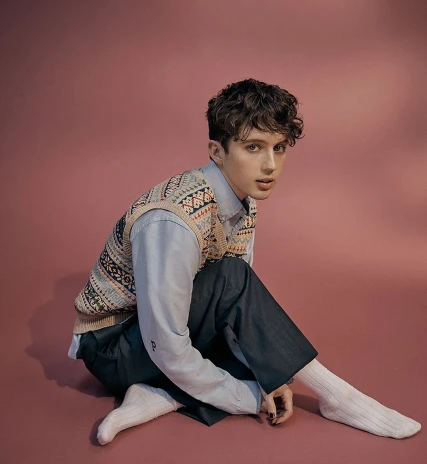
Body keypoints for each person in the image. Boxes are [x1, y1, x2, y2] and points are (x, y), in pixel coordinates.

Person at [68, 78, 421, 445]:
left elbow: (235, 311)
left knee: (260, 352)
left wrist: (270, 373)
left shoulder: (241, 202)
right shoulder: (174, 221)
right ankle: (336, 395)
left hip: (160, 334)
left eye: (279, 148)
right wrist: (250, 397)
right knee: (233, 283)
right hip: (115, 349)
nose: (270, 165)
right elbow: (167, 343)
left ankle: (157, 395)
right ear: (217, 152)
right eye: (253, 147)